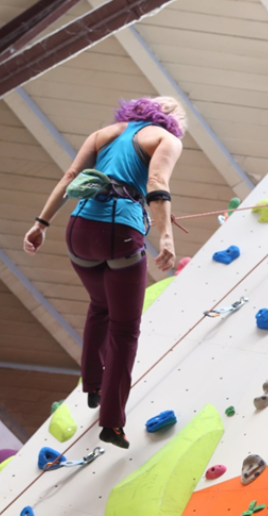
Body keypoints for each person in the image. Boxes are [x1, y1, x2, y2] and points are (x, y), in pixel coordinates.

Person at [23, 97, 184, 449]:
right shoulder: (166, 139)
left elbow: (70, 177)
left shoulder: (104, 134)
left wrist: (41, 224)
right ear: (172, 119)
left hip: (79, 231)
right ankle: (111, 422)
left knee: (100, 305)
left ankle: (93, 385)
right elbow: (157, 181)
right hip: (119, 234)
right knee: (125, 331)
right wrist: (165, 237)